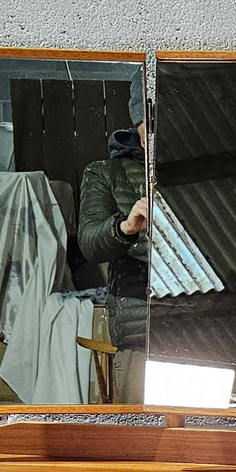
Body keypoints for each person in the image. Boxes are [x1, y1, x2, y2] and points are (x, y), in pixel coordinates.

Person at [78, 84, 150, 400]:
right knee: (143, 438)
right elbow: (90, 243)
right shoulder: (107, 173)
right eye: (150, 122)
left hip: (212, 328)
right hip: (141, 334)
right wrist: (126, 227)